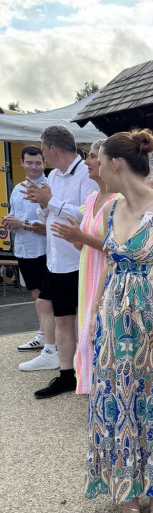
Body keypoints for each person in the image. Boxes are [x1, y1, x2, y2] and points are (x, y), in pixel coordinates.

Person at [85, 128, 153, 513]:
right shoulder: (111, 208)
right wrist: (98, 311)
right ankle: (127, 493)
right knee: (116, 400)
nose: (96, 169)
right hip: (114, 324)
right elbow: (112, 262)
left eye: (99, 161)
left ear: (116, 163)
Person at [22, 126, 97, 396]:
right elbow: (48, 217)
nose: (43, 158)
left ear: (53, 149)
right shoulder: (53, 175)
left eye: (43, 152)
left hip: (80, 260)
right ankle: (66, 375)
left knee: (85, 321)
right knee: (62, 319)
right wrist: (43, 205)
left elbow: (87, 215)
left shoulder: (87, 175)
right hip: (56, 260)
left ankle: (89, 374)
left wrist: (50, 200)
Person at [51, 139, 118, 394]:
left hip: (107, 273)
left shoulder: (119, 200)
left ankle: (106, 387)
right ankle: (92, 386)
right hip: (87, 272)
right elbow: (83, 246)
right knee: (86, 331)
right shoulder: (91, 199)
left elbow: (119, 247)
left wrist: (79, 236)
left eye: (92, 156)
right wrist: (72, 236)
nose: (87, 161)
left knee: (101, 330)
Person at [2, 146, 57, 367]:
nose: (34, 167)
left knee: (47, 299)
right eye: (29, 162)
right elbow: (16, 217)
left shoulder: (49, 188)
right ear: (22, 163)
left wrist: (21, 224)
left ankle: (52, 345)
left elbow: (51, 226)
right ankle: (44, 335)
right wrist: (11, 221)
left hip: (45, 250)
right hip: (24, 250)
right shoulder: (17, 189)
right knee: (36, 295)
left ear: (43, 163)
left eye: (38, 163)